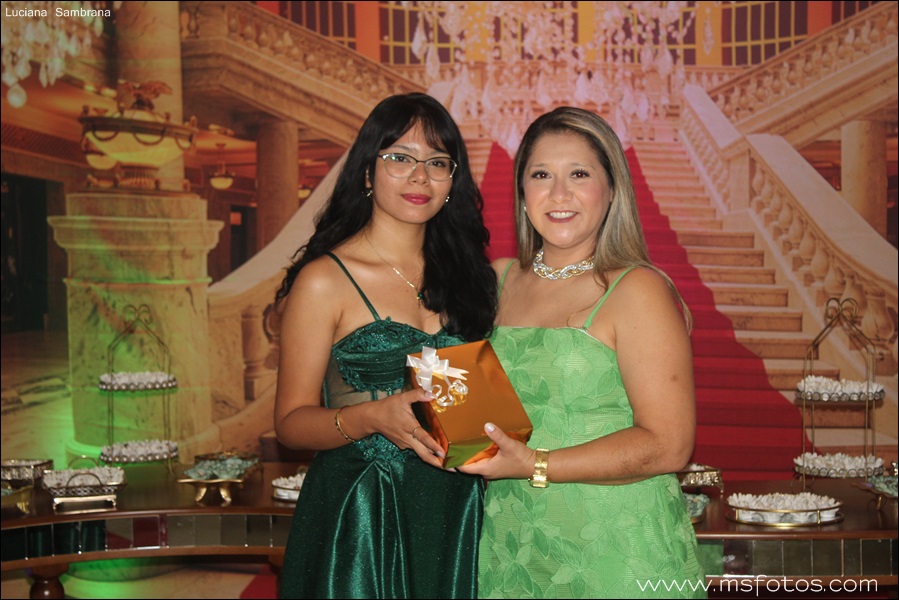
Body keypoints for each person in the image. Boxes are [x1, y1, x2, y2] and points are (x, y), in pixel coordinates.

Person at [459, 107, 707, 598]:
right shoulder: (498, 280)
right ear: (522, 192)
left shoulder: (637, 289)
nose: (559, 194)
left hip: (618, 553)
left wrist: (535, 464)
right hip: (512, 546)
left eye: (579, 174)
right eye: (541, 175)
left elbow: (670, 444)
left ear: (611, 189)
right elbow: (474, 416)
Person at [273, 92, 497, 599]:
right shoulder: (324, 280)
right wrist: (371, 417)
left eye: (437, 162)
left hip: (458, 505)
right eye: (400, 158)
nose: (420, 177)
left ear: (453, 180)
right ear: (367, 174)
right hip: (364, 508)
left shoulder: (471, 277)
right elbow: (289, 423)